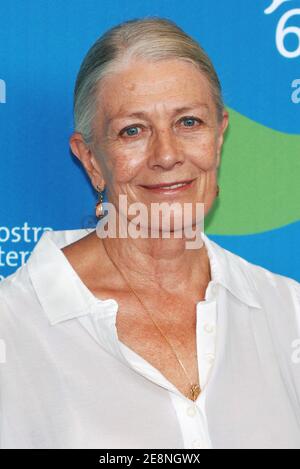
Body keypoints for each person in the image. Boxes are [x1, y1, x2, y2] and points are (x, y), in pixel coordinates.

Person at [0, 17, 299, 449]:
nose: (166, 155)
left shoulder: (287, 312)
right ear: (90, 160)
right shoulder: (14, 329)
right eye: (133, 131)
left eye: (189, 122)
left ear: (219, 137)